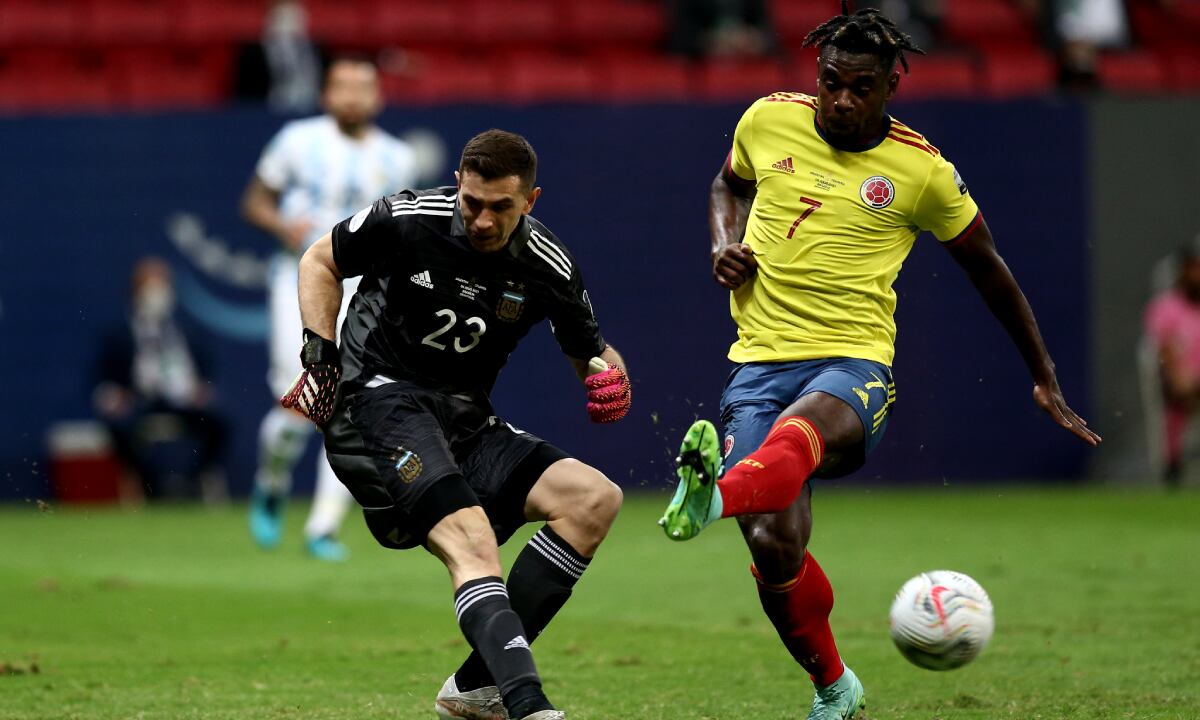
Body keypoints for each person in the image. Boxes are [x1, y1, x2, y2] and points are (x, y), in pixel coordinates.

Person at [657, 4, 1101, 719]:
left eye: (860, 87)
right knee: (775, 544)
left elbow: (990, 271)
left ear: (892, 84)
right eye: (831, 81)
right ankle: (836, 689)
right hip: (758, 362)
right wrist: (722, 242)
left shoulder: (921, 171)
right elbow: (729, 184)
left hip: (853, 365)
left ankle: (712, 495)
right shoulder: (767, 118)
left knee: (794, 437)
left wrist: (1043, 375)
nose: (841, 99)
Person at [282, 129, 631, 720]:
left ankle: (474, 688)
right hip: (379, 400)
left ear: (531, 201)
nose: (483, 220)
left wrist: (612, 383)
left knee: (594, 500)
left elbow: (594, 355)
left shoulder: (549, 266)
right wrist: (319, 353)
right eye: (472, 203)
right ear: (458, 186)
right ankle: (527, 704)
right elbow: (319, 259)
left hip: (463, 418)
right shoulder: (406, 218)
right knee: (472, 542)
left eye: (501, 207)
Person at [242, 55, 419, 561]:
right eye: (343, 86)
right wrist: (282, 226)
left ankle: (323, 527)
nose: (353, 96)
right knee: (299, 399)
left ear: (378, 96)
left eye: (363, 86)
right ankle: (272, 480)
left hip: (364, 288)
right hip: (299, 278)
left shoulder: (398, 157)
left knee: (351, 403)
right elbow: (254, 202)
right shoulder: (297, 140)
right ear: (326, 94)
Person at [94, 257, 227, 501]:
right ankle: (150, 484)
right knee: (120, 428)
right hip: (141, 401)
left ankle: (189, 481)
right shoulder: (119, 334)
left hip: (183, 401)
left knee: (220, 424)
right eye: (151, 287)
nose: (159, 293)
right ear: (136, 291)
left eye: (163, 285)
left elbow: (207, 371)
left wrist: (201, 389)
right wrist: (117, 397)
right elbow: (105, 381)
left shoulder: (185, 330)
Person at [1143, 245, 1200, 487]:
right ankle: (1172, 467)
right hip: (1178, 383)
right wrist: (1180, 378)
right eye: (1193, 269)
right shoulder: (1166, 307)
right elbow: (1164, 347)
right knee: (1176, 403)